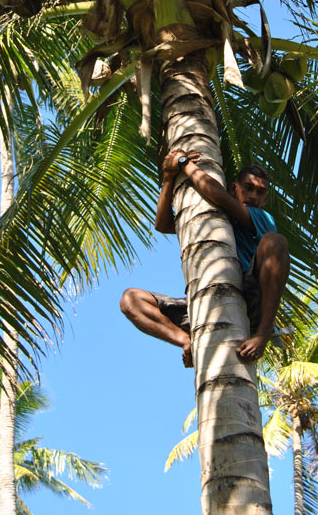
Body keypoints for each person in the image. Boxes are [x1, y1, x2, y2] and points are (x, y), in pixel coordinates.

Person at [120, 149, 290, 366]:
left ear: (265, 199)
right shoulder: (210, 217)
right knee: (131, 299)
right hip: (207, 300)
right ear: (234, 187)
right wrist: (169, 178)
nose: (253, 196)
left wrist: (184, 163)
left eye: (260, 193)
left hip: (252, 296)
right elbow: (162, 224)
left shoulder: (262, 218)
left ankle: (264, 332)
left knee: (275, 241)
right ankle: (187, 341)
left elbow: (219, 196)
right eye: (248, 188)